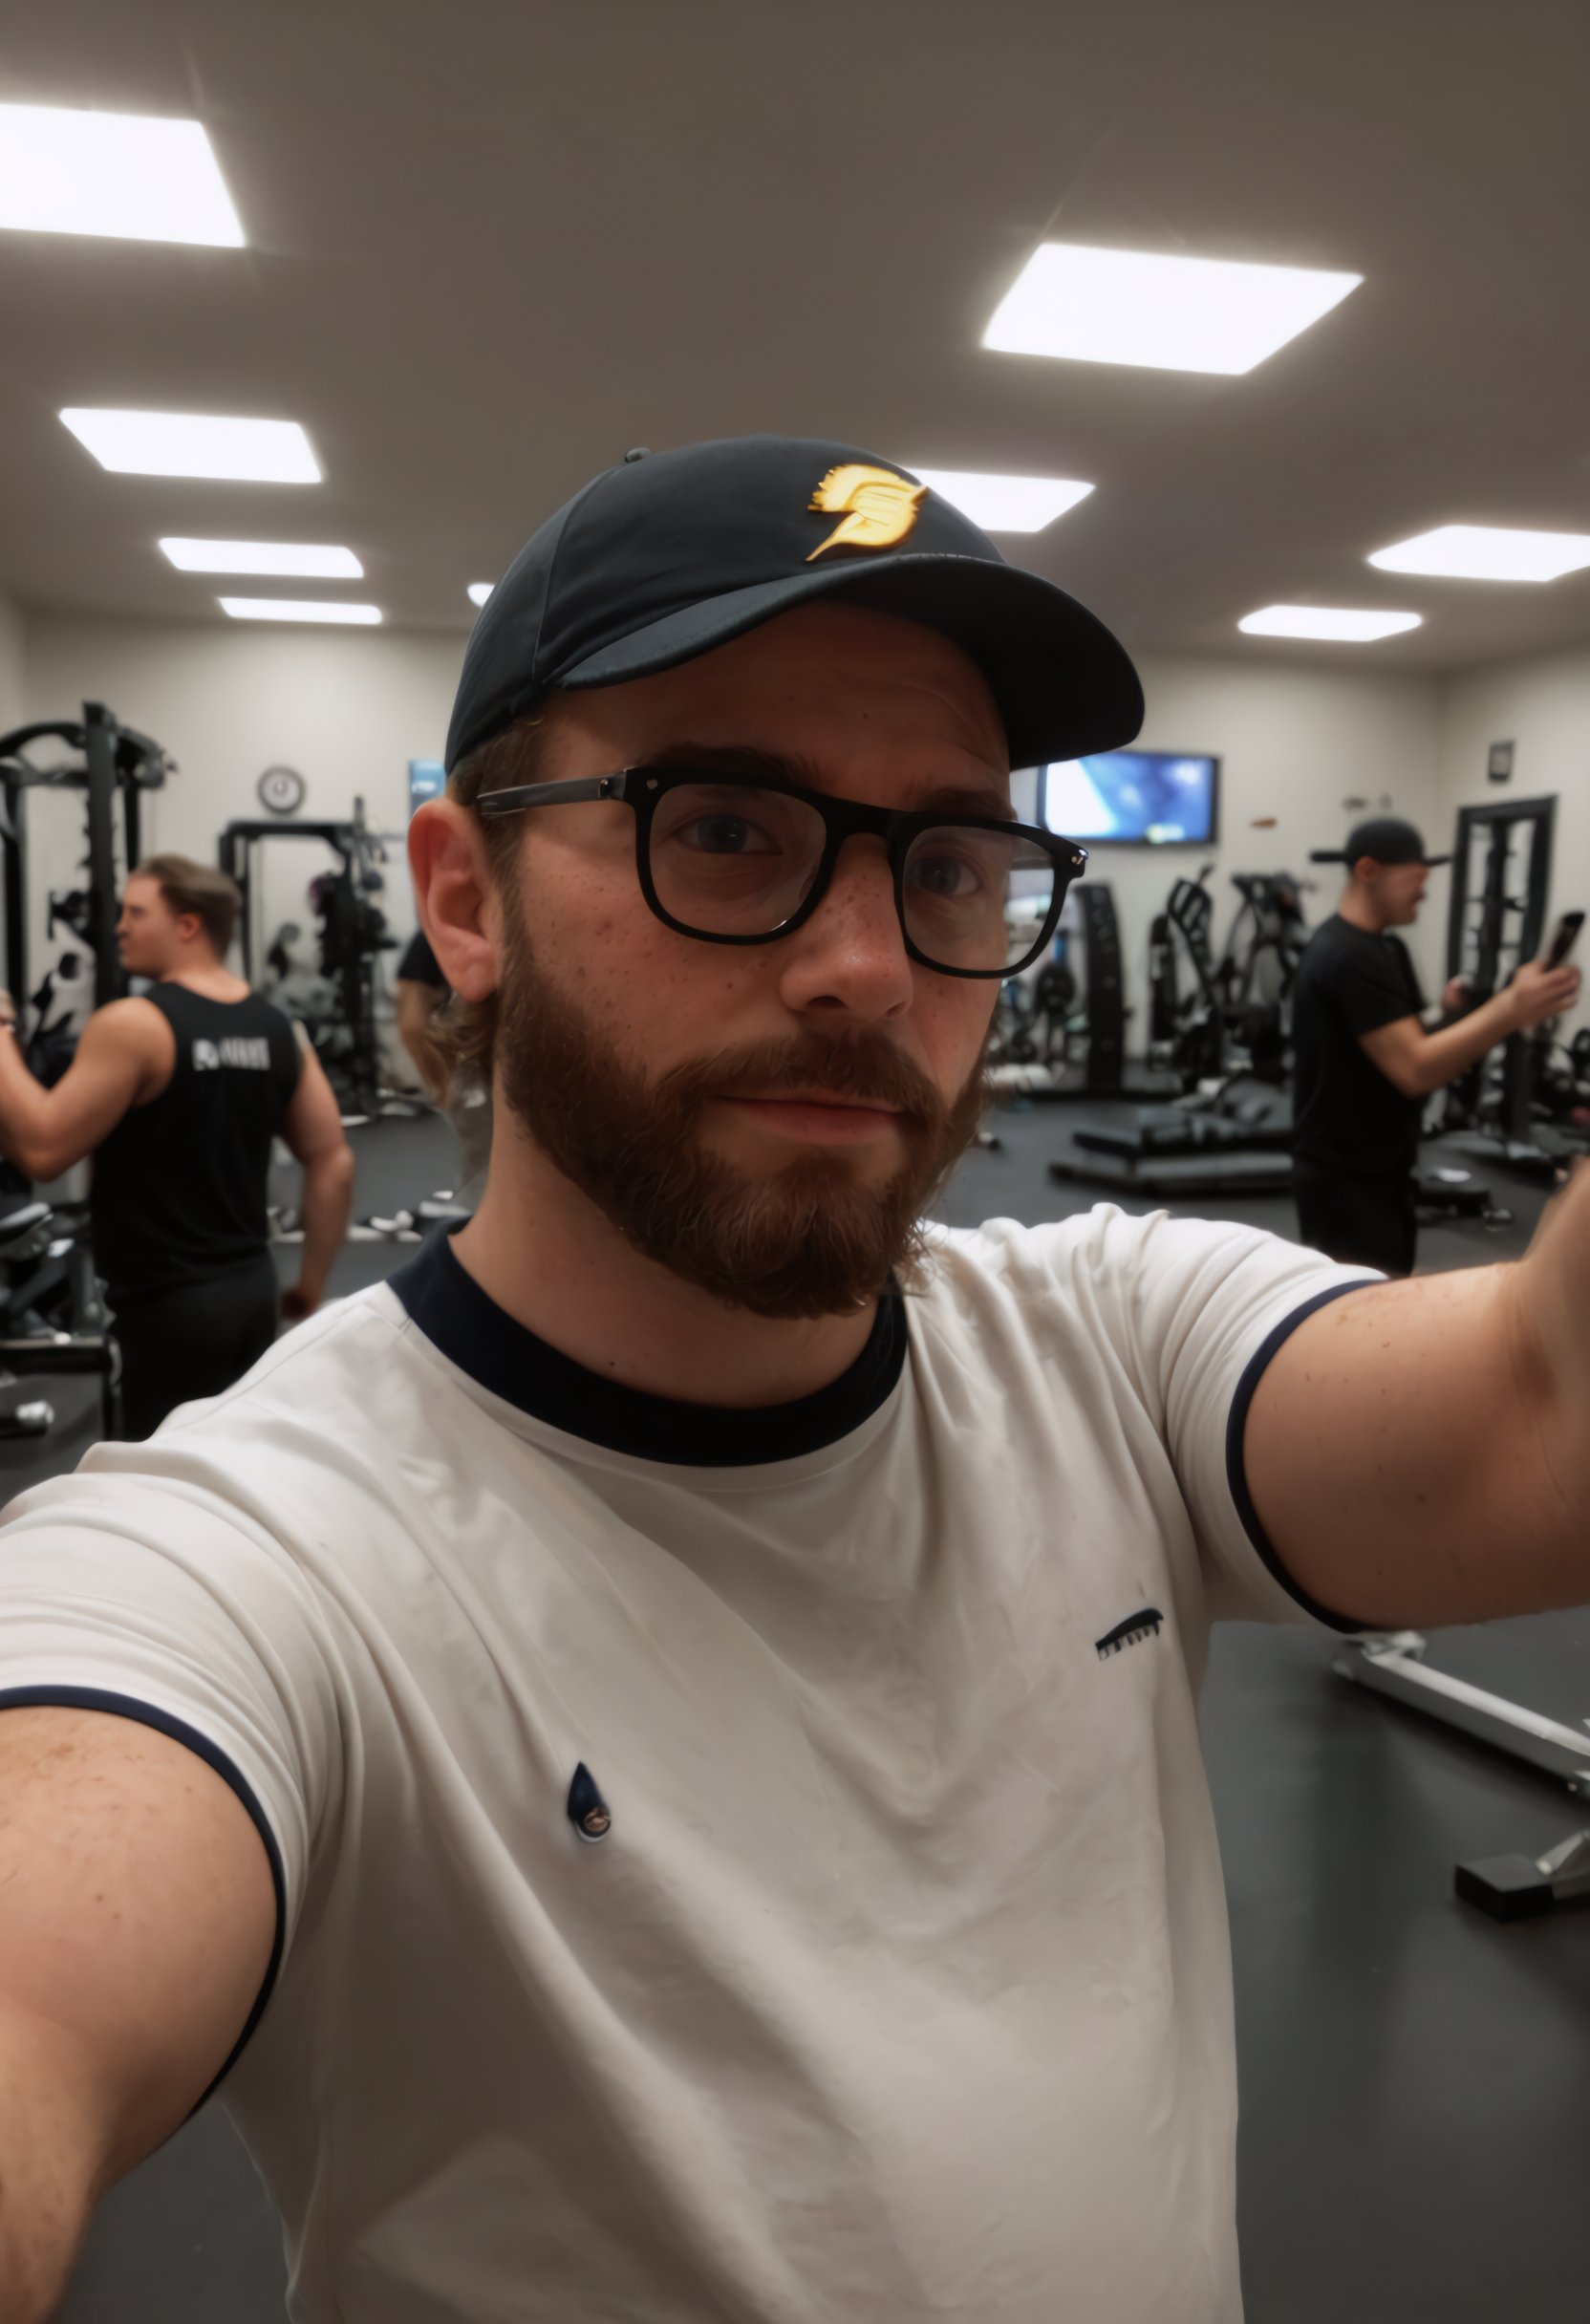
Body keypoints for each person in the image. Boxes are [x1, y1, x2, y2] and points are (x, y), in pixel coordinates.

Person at [0, 439, 1584, 2324]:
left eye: (947, 861)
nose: (862, 965)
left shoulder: (1107, 1348)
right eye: (726, 826)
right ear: (465, 894)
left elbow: (1533, 1404)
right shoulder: (250, 1558)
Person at [0, 852, 355, 1438]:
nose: (119, 927)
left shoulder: (135, 1024)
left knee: (155, 1487)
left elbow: (41, 1149)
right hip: (250, 1291)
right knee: (229, 1463)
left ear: (188, 925)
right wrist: (310, 1284)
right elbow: (332, 1161)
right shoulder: (277, 1026)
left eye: (135, 913)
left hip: (168, 1311)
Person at [1291, 817, 1579, 1274]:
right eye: (1415, 881)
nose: (1423, 893)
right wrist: (1510, 1009)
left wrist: (1451, 1015)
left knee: (1385, 1296)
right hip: (1346, 1180)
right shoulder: (1348, 955)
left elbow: (1399, 1039)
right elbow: (1415, 1070)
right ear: (1368, 871)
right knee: (1362, 1318)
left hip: (1381, 1167)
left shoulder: (1383, 949)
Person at [394, 923, 492, 1191]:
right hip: (476, 1073)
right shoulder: (435, 936)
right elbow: (412, 1023)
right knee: (486, 1169)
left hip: (490, 1071)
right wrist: (440, 1079)